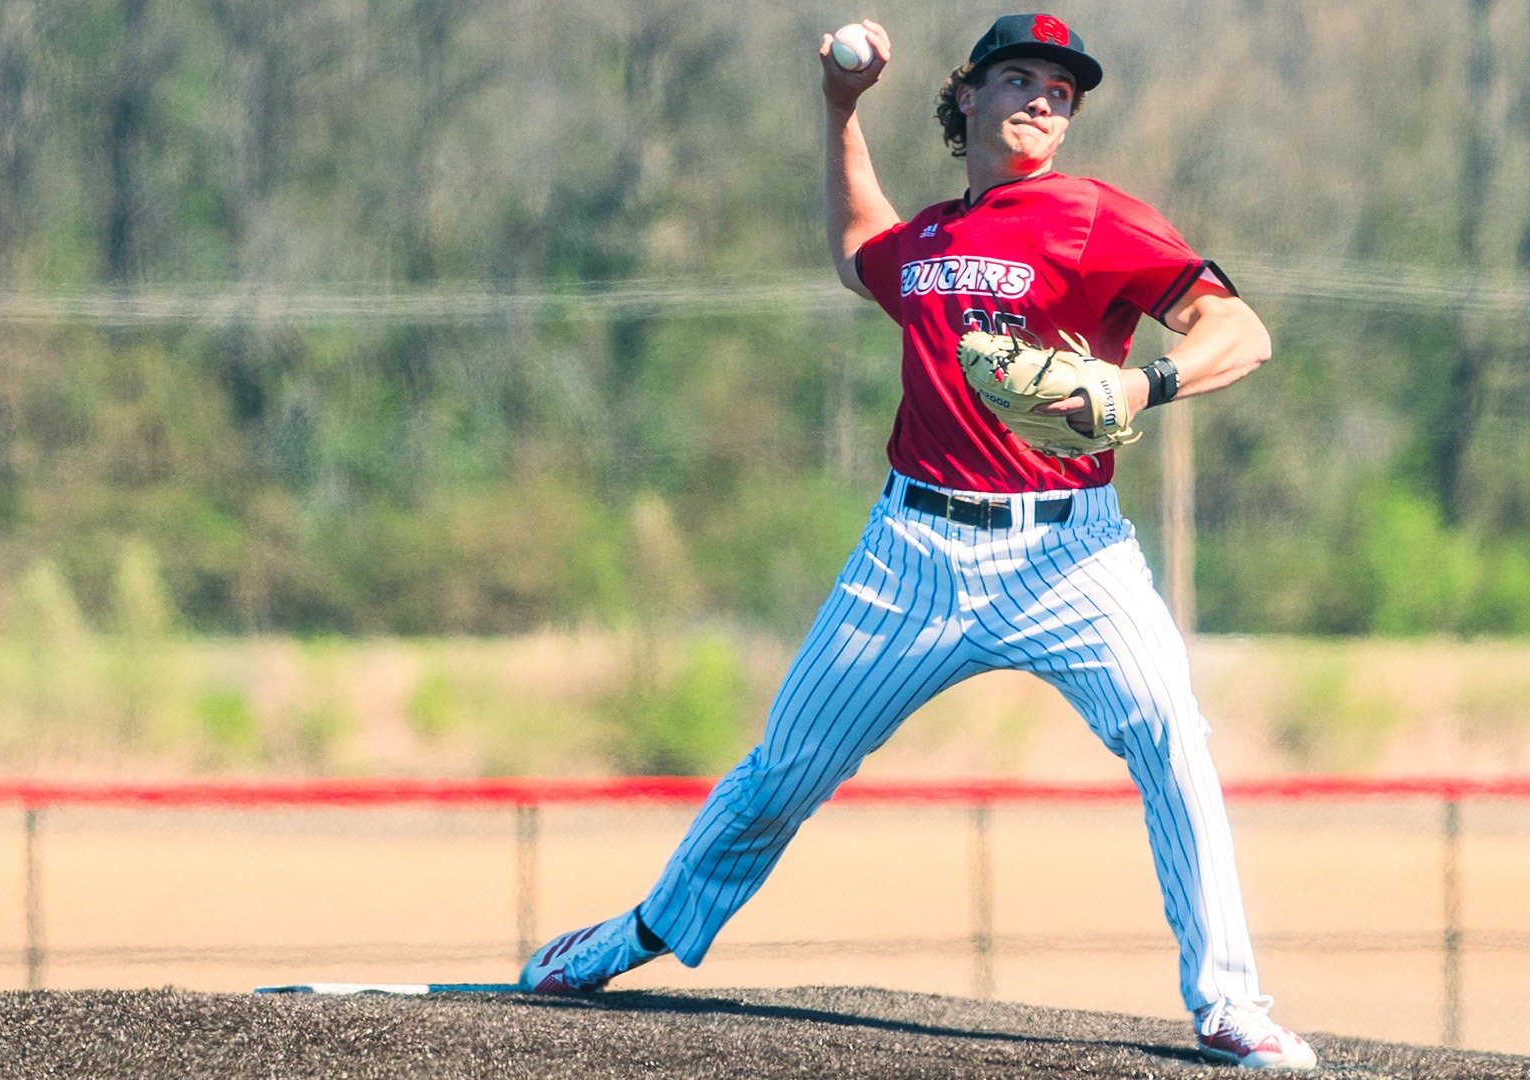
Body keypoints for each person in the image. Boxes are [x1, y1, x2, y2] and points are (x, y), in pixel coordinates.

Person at [517, 12, 1319, 1072]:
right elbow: (859, 251)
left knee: (1174, 741)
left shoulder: (1091, 217)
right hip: (913, 555)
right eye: (1021, 78)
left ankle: (1228, 1005)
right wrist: (840, 114)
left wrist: (1143, 381)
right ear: (968, 96)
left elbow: (1242, 331)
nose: (1044, 99)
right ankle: (635, 935)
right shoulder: (934, 240)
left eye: (1063, 90)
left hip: (1070, 555)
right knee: (784, 772)